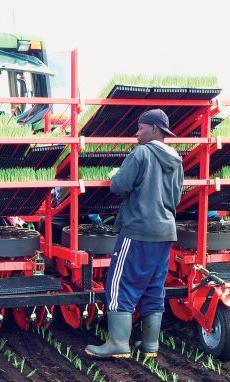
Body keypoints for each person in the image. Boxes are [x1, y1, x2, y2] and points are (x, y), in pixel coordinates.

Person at [85, 109, 182, 360]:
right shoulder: (176, 159)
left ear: (155, 129)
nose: (136, 133)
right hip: (165, 231)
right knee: (153, 286)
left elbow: (120, 186)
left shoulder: (140, 154)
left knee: (120, 284)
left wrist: (114, 176)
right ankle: (150, 345)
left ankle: (118, 343)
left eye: (140, 128)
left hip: (138, 229)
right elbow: (177, 198)